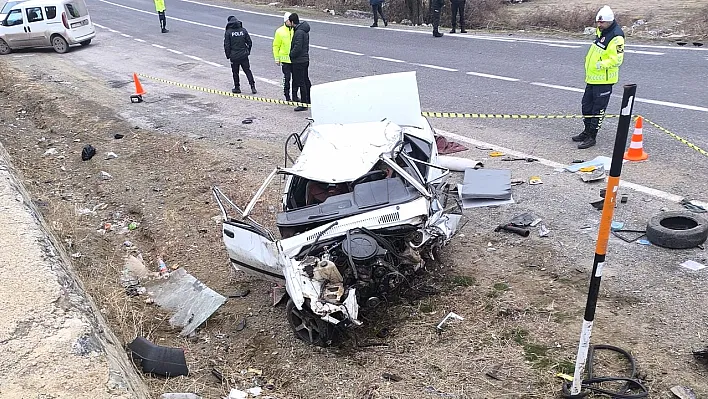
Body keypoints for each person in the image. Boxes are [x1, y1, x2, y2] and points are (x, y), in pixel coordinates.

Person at [572, 5, 625, 149]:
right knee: (586, 106)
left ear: (610, 21)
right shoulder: (601, 31)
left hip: (604, 79)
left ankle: (592, 137)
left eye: (602, 22)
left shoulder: (616, 36)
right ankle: (586, 131)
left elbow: (617, 60)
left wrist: (601, 64)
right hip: (592, 78)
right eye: (598, 22)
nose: (599, 25)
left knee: (598, 110)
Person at [224, 16, 257, 95]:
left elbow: (226, 45)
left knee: (235, 72)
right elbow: (250, 42)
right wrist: (247, 52)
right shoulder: (243, 30)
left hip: (234, 56)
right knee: (247, 71)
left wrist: (228, 55)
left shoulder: (228, 32)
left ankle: (237, 87)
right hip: (244, 55)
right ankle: (253, 86)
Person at [288, 13, 311, 112]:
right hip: (305, 59)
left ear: (292, 22)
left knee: (301, 81)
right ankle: (308, 99)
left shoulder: (299, 32)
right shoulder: (303, 31)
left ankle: (304, 103)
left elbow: (297, 47)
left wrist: (291, 54)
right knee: (305, 80)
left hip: (299, 61)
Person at [273, 12, 298, 102]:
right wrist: (277, 58)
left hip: (294, 60)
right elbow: (276, 45)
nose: (291, 22)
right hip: (285, 60)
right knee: (287, 78)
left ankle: (295, 96)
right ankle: (287, 95)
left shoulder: (295, 29)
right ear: (286, 21)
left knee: (296, 79)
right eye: (289, 20)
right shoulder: (280, 31)